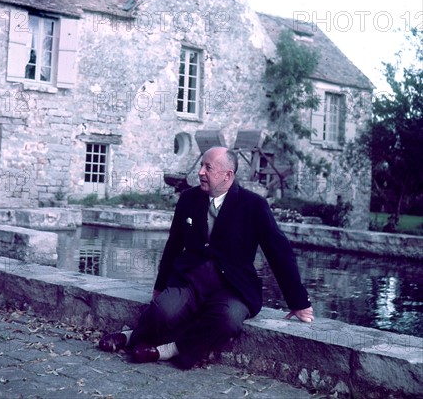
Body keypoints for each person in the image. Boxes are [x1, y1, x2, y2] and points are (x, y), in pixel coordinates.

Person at [98, 146, 313, 369]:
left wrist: (298, 301)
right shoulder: (188, 199)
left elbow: (278, 251)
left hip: (233, 286)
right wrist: (160, 285)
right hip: (191, 279)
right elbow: (173, 245)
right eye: (201, 165)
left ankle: (167, 351)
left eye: (207, 167)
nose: (200, 171)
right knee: (163, 310)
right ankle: (132, 336)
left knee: (228, 321)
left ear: (228, 175)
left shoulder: (254, 205)